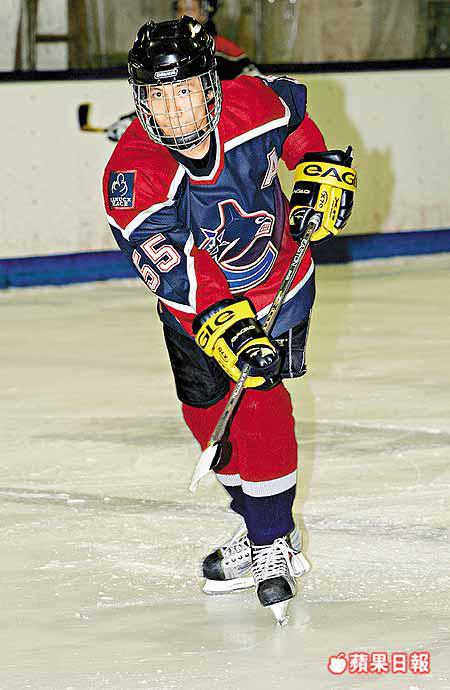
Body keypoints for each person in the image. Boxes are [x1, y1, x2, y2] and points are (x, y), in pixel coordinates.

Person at [102, 16, 356, 624]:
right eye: (158, 95)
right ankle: (257, 519)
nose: (173, 109)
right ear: (141, 99)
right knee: (206, 415)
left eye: (185, 90)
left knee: (261, 398)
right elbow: (176, 270)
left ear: (210, 85)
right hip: (195, 309)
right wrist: (226, 324)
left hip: (278, 284)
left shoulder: (252, 102)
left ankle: (271, 540)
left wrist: (316, 166)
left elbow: (297, 121)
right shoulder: (133, 172)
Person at [105, 0, 258, 143]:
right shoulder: (169, 52)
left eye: (189, 9)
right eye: (179, 9)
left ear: (206, 12)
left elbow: (256, 86)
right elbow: (166, 98)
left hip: (219, 133)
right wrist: (132, 122)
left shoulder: (224, 50)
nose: (183, 15)